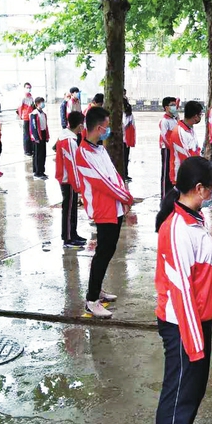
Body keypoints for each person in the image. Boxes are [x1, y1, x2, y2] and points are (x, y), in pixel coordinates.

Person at [151, 157, 212, 424]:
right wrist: (194, 343)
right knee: (178, 388)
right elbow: (180, 292)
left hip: (198, 319)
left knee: (194, 385)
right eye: (211, 189)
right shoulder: (177, 229)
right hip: (182, 324)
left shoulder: (193, 218)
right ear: (198, 189)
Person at [75, 107, 134, 318]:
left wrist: (124, 196)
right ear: (99, 128)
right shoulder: (82, 153)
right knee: (103, 252)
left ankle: (97, 289)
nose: (108, 130)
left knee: (107, 251)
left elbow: (114, 176)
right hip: (103, 208)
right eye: (107, 127)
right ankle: (91, 299)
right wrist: (126, 197)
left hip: (114, 205)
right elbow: (102, 184)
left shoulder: (99, 148)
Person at [55, 111, 87, 249]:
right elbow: (72, 165)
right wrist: (78, 185)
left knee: (72, 209)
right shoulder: (69, 141)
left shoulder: (67, 137)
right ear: (80, 125)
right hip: (68, 180)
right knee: (68, 209)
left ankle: (73, 234)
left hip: (69, 179)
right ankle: (68, 238)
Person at [167, 100, 203, 196]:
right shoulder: (178, 131)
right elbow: (185, 157)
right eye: (200, 115)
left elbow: (196, 149)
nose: (200, 117)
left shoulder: (191, 129)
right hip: (181, 176)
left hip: (192, 175)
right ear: (195, 116)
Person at [159, 96, 179, 198]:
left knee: (172, 172)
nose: (174, 107)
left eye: (174, 105)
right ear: (166, 107)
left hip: (174, 150)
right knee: (166, 173)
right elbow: (165, 137)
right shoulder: (164, 121)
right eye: (171, 105)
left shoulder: (174, 119)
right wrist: (172, 147)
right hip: (167, 149)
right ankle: (164, 197)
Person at [29, 96, 50, 180]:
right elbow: (33, 126)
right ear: (37, 104)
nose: (43, 104)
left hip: (43, 134)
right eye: (41, 102)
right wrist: (36, 137)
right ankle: (37, 173)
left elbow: (45, 125)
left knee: (43, 154)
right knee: (37, 155)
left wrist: (47, 136)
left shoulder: (43, 114)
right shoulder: (34, 114)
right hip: (37, 136)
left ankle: (42, 171)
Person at [18, 82, 34, 156]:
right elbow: (20, 108)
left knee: (31, 134)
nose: (28, 89)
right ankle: (27, 150)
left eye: (29, 87)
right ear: (24, 88)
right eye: (27, 87)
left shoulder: (31, 97)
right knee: (26, 135)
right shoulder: (23, 97)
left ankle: (31, 149)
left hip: (31, 117)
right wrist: (20, 117)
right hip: (25, 117)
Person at [123, 89, 135, 181]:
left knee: (125, 157)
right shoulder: (122, 114)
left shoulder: (127, 115)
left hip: (125, 138)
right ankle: (124, 173)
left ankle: (125, 173)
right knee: (124, 157)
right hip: (123, 139)